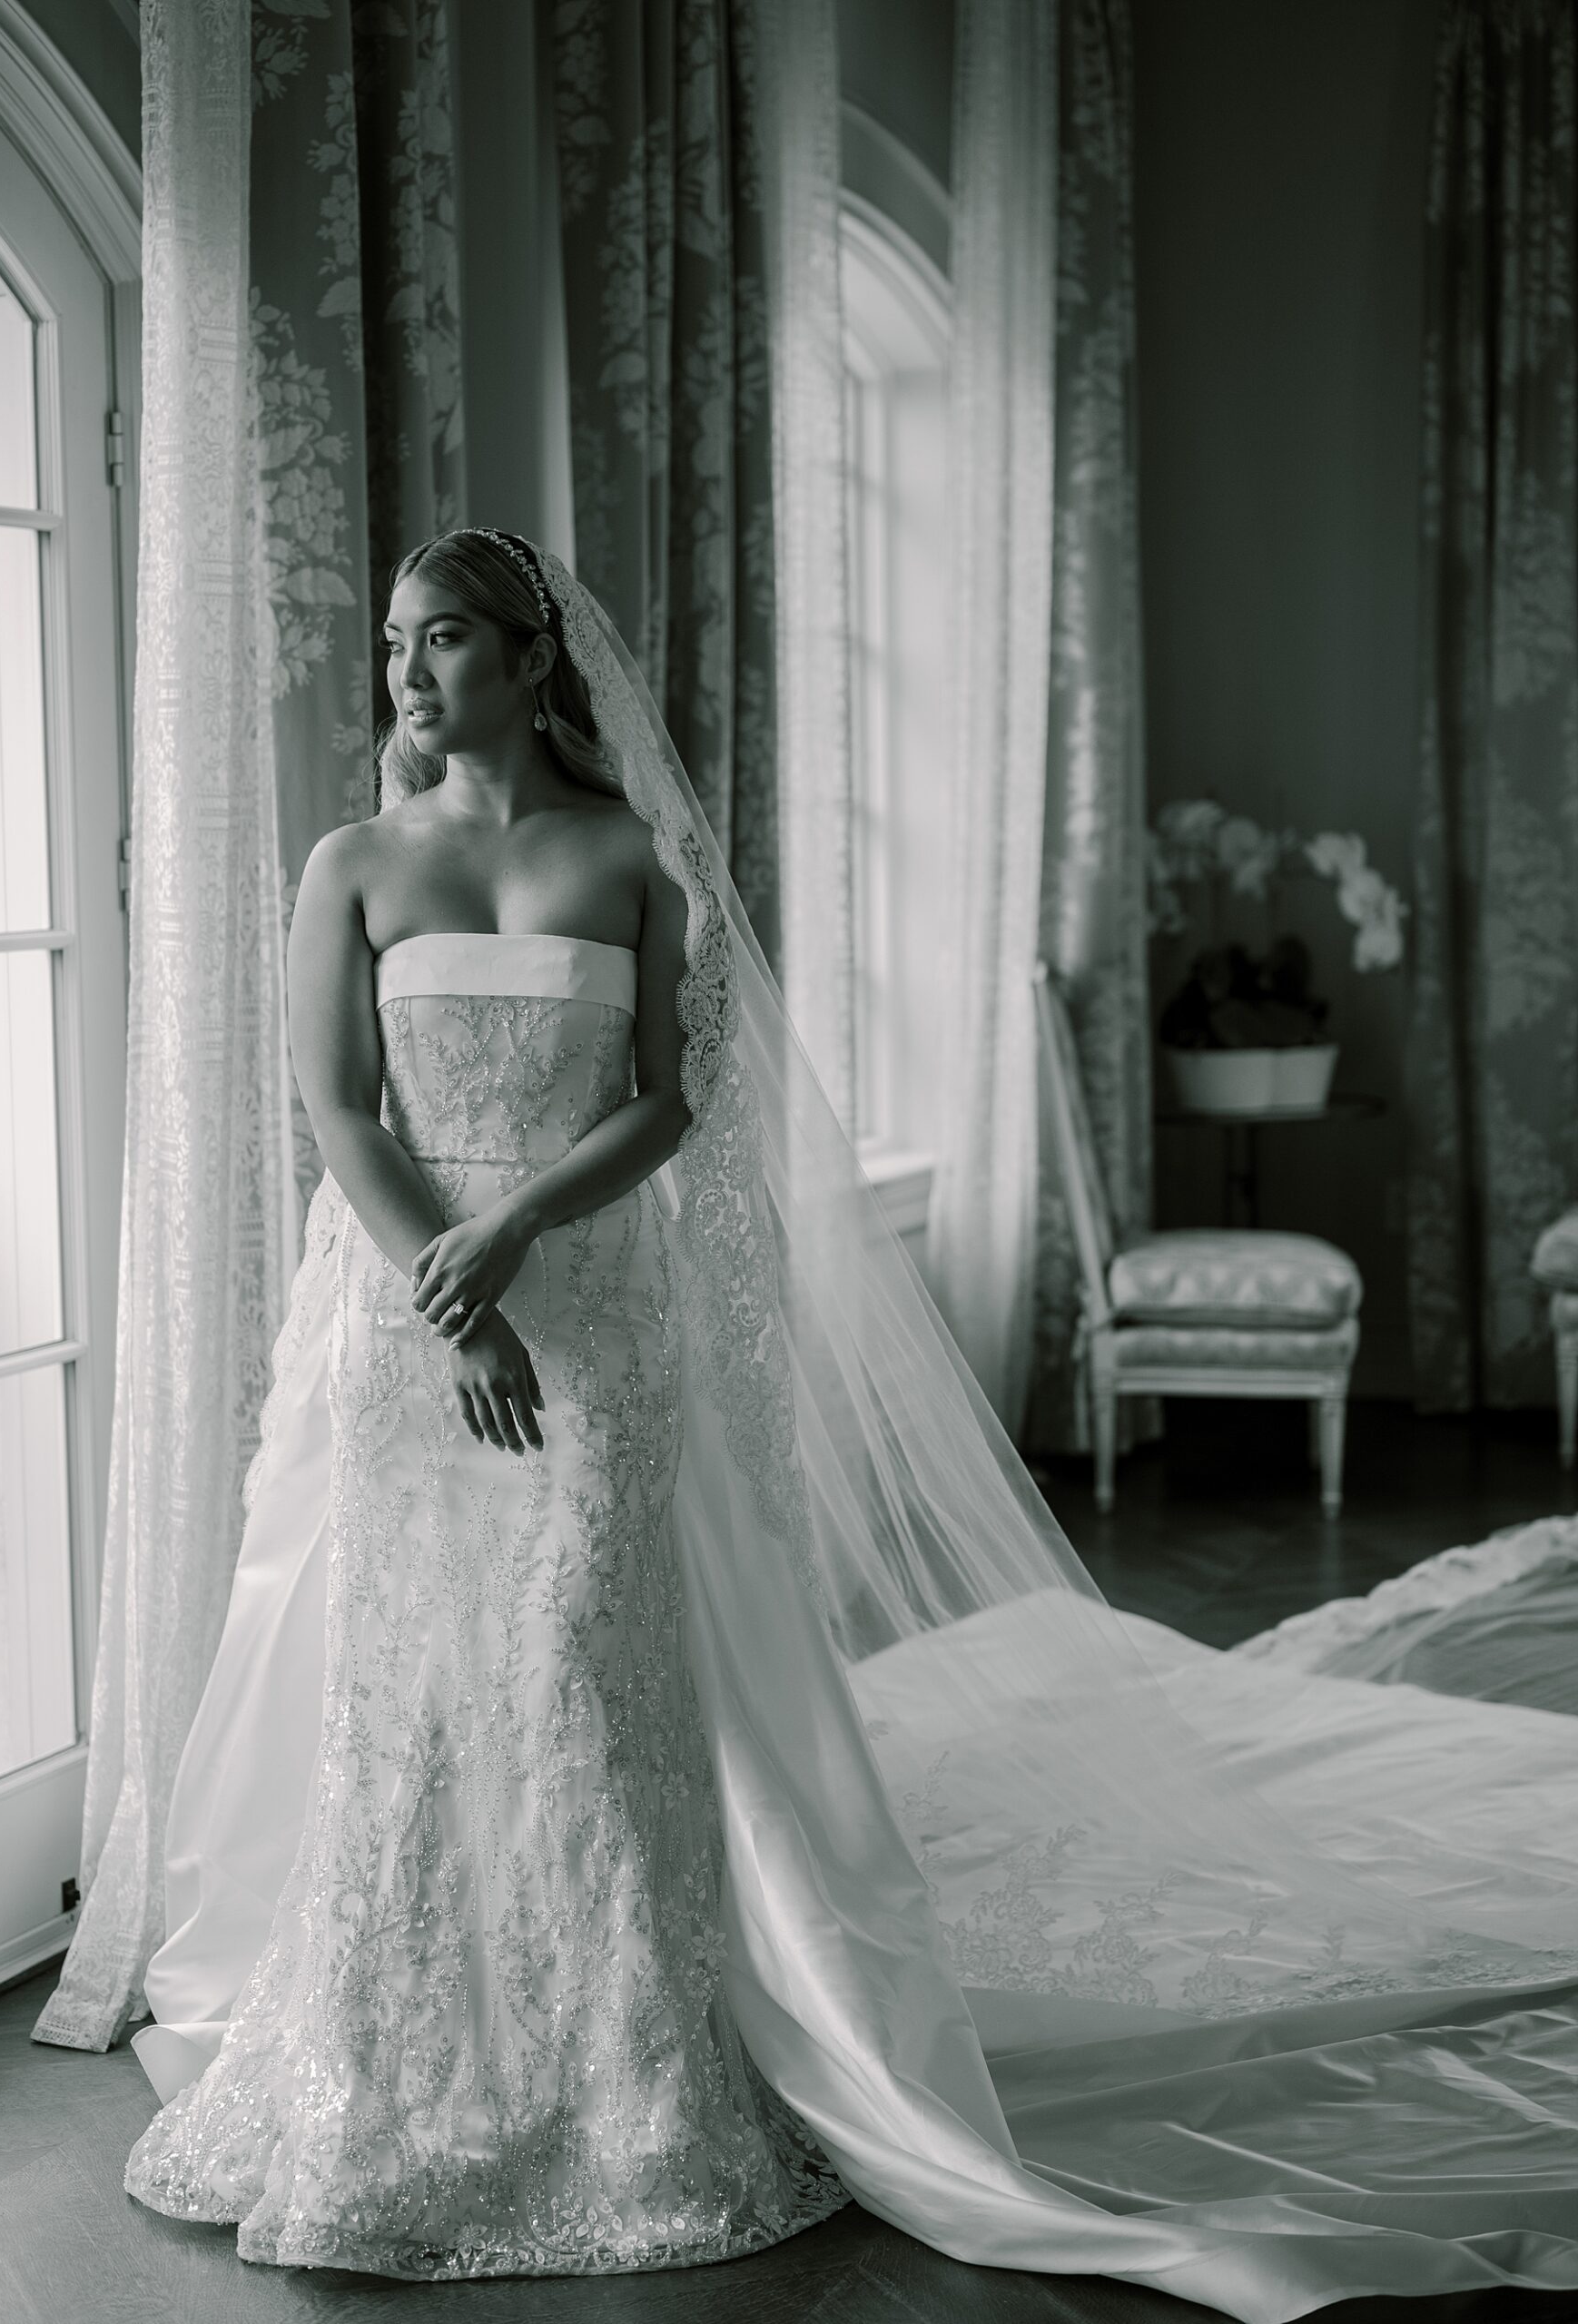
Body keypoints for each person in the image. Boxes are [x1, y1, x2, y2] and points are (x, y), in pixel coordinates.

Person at [123, 531, 1578, 2319]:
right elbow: (339, 1105)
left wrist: (520, 1234)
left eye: (440, 644)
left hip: (591, 1311)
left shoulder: (627, 855)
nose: (404, 677)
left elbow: (667, 1103)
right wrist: (452, 1274)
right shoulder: (354, 861)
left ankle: (623, 2079)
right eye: (398, 647)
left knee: (580, 1667)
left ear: (530, 656)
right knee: (419, 1691)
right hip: (419, 1319)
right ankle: (406, 2067)